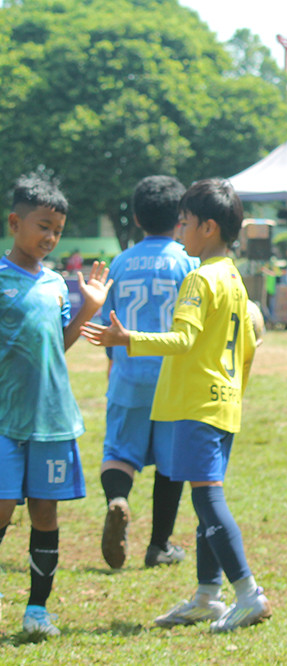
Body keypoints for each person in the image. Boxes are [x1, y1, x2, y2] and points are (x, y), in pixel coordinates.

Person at [82, 179, 270, 633]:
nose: (180, 229)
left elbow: (183, 339)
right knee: (205, 500)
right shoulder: (234, 279)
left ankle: (248, 594)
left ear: (207, 227)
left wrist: (127, 338)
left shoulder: (198, 278)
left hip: (195, 405)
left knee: (207, 499)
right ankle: (208, 595)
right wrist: (234, 393)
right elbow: (250, 343)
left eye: (185, 222)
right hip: (222, 403)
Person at [0, 174, 112, 637]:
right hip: (6, 421)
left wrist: (87, 308)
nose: (50, 237)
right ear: (14, 222)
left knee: (46, 513)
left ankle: (37, 610)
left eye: (58, 231)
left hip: (51, 421)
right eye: (43, 226)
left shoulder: (54, 284)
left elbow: (58, 344)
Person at [98, 175, 199, 570]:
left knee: (118, 453)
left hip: (128, 375)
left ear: (137, 218)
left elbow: (108, 323)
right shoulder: (188, 262)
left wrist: (113, 365)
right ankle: (159, 546)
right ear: (180, 218)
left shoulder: (120, 263)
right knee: (170, 463)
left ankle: (117, 500)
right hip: (173, 377)